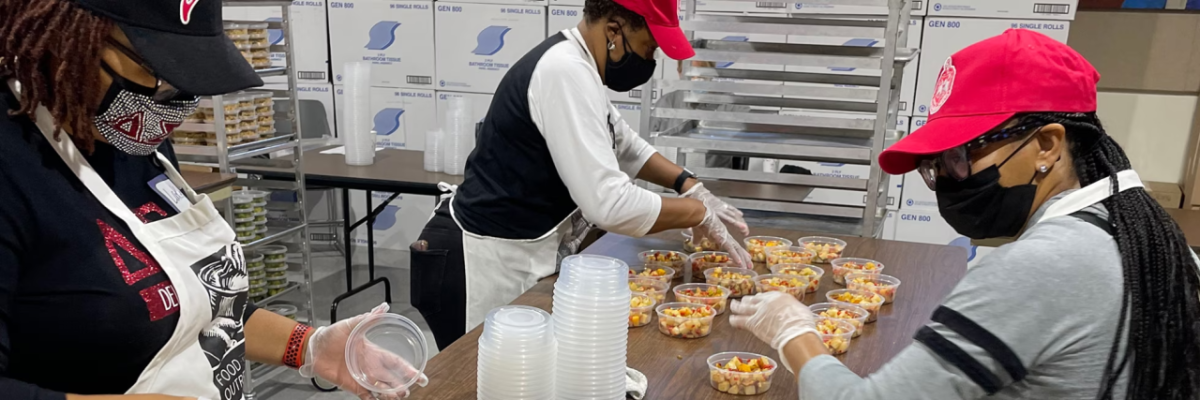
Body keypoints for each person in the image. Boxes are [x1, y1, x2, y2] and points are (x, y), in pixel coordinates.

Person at [729, 29, 1200, 399]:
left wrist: (795, 334)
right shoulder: (1143, 233)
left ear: (1046, 145)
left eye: (958, 156)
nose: (950, 179)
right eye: (936, 166)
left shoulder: (1046, 266)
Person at [0, 0, 423, 399]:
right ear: (73, 32)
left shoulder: (131, 137)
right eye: (160, 72)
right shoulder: (13, 165)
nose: (174, 101)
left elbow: (201, 306)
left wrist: (310, 347)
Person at [410, 0, 752, 349]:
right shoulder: (563, 70)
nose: (649, 62)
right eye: (649, 49)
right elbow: (609, 205)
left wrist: (689, 185)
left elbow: (624, 144)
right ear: (614, 31)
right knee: (480, 378)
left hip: (512, 250)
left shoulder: (579, 66)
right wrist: (697, 212)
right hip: (477, 261)